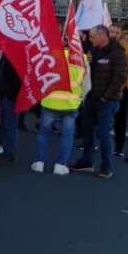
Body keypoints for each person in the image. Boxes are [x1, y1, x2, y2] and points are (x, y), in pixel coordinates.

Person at [70, 25, 127, 179]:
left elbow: (120, 77)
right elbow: (89, 73)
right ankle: (87, 161)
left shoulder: (117, 52)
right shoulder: (94, 51)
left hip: (107, 101)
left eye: (92, 36)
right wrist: (88, 62)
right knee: (87, 131)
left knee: (103, 134)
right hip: (91, 98)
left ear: (102, 36)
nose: (90, 39)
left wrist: (106, 96)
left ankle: (106, 167)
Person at [32, 46, 88, 175]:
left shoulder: (48, 55)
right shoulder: (82, 58)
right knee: (67, 135)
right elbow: (86, 84)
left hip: (50, 101)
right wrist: (82, 98)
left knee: (44, 133)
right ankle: (60, 165)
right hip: (71, 103)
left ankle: (39, 163)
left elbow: (39, 77)